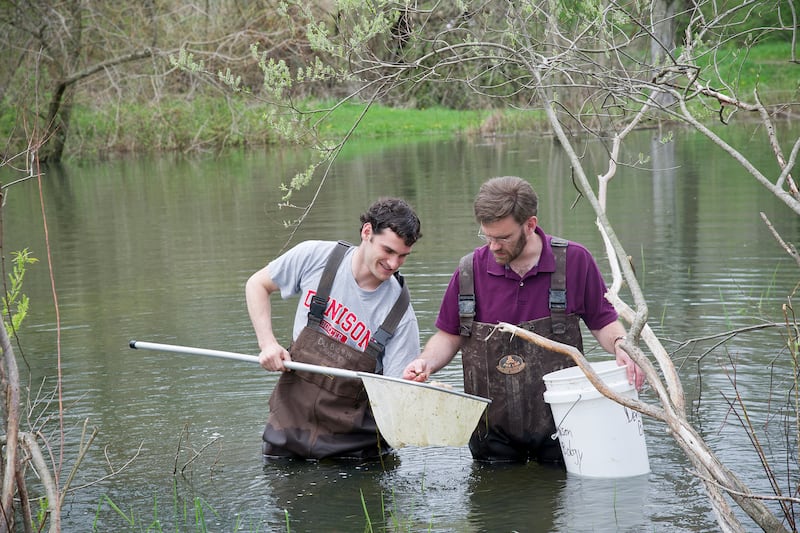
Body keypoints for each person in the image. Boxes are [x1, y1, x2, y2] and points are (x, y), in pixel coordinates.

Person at [403, 176, 644, 464]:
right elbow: (449, 335)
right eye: (487, 236)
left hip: (565, 429)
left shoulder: (575, 262)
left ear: (530, 225)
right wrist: (425, 363)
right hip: (491, 436)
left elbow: (603, 322)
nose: (493, 246)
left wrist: (621, 346)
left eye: (503, 238)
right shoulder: (470, 271)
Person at [246, 197, 423, 460]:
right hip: (287, 432)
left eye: (402, 256)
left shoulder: (401, 315)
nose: (394, 263)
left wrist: (413, 385)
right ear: (366, 233)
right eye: (388, 251)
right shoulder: (314, 256)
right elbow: (257, 285)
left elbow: (396, 396)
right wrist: (268, 343)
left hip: (353, 450)